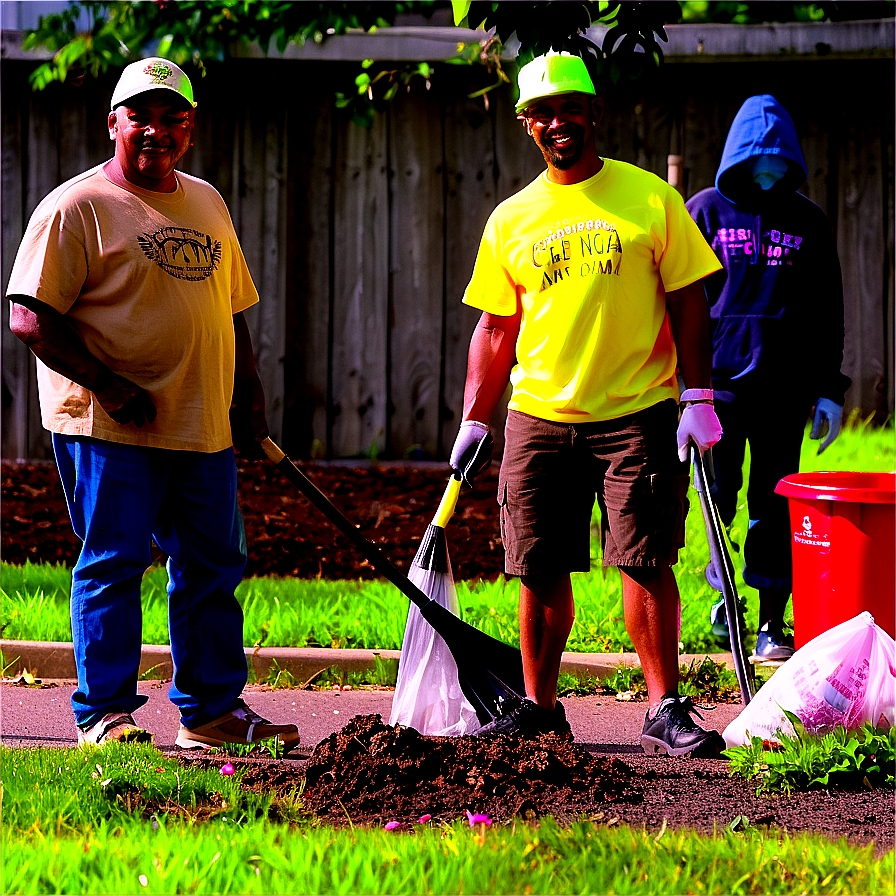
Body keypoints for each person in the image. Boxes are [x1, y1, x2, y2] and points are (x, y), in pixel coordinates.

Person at [7, 57, 300, 752]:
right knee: (113, 561)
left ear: (190, 129)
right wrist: (108, 384)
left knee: (211, 568)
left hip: (201, 423)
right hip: (111, 425)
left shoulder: (206, 201)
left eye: (172, 117)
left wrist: (247, 394)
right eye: (140, 115)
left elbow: (230, 310)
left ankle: (209, 713)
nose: (155, 130)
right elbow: (30, 315)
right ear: (113, 123)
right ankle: (104, 715)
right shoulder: (75, 206)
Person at [449, 52, 727, 757]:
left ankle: (665, 706)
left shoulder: (650, 199)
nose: (558, 121)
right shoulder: (511, 218)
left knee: (645, 557)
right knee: (538, 563)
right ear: (524, 125)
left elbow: (688, 298)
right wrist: (475, 417)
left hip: (638, 410)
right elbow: (494, 327)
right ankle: (540, 710)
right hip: (540, 416)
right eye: (542, 112)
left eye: (570, 106)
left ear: (594, 112)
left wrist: (698, 393)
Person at [686, 95, 850, 662]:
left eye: (778, 158)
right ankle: (724, 598)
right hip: (717, 392)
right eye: (758, 156)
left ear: (791, 157)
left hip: (785, 393)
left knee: (775, 507)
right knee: (717, 498)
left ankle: (771, 625)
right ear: (738, 153)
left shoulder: (807, 220)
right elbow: (677, 303)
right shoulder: (704, 212)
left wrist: (830, 388)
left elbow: (828, 308)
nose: (768, 168)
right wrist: (682, 390)